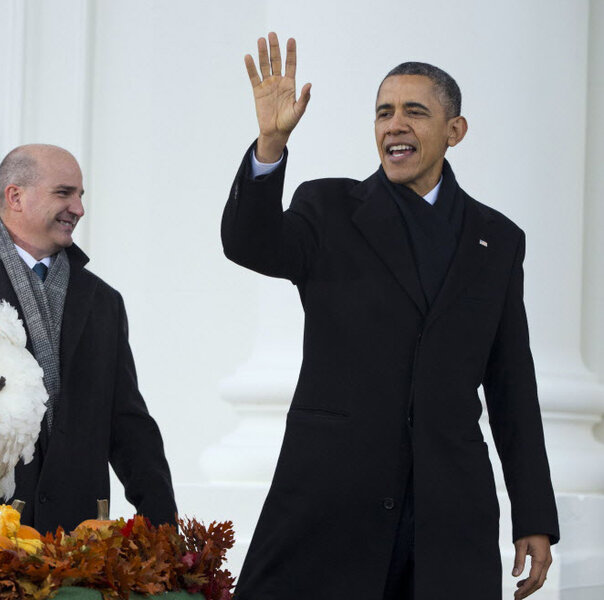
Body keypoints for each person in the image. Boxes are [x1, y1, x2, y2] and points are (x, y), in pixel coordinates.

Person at [222, 33, 559, 600]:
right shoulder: (328, 208)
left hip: (449, 514)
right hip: (332, 502)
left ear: (455, 131)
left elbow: (511, 385)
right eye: (384, 112)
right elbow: (248, 242)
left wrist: (533, 515)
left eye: (414, 112)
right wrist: (270, 146)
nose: (394, 125)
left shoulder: (497, 240)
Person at [0, 144, 176, 535]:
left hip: (79, 536)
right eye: (64, 193)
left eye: (80, 195)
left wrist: (165, 532)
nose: (78, 208)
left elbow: (129, 426)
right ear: (16, 196)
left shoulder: (103, 301)